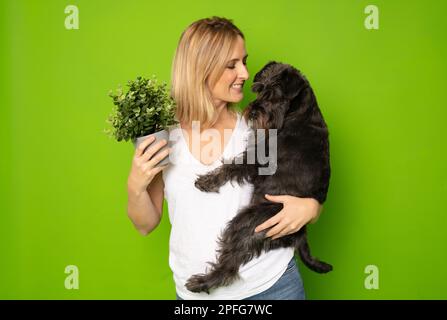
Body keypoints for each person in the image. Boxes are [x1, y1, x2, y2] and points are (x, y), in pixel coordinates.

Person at [126, 16, 323, 300]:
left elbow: (291, 187)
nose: (244, 73)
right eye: (232, 65)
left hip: (273, 286)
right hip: (197, 295)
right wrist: (135, 185)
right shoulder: (163, 135)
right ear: (200, 68)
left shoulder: (259, 128)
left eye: (244, 61)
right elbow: (145, 224)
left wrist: (311, 208)